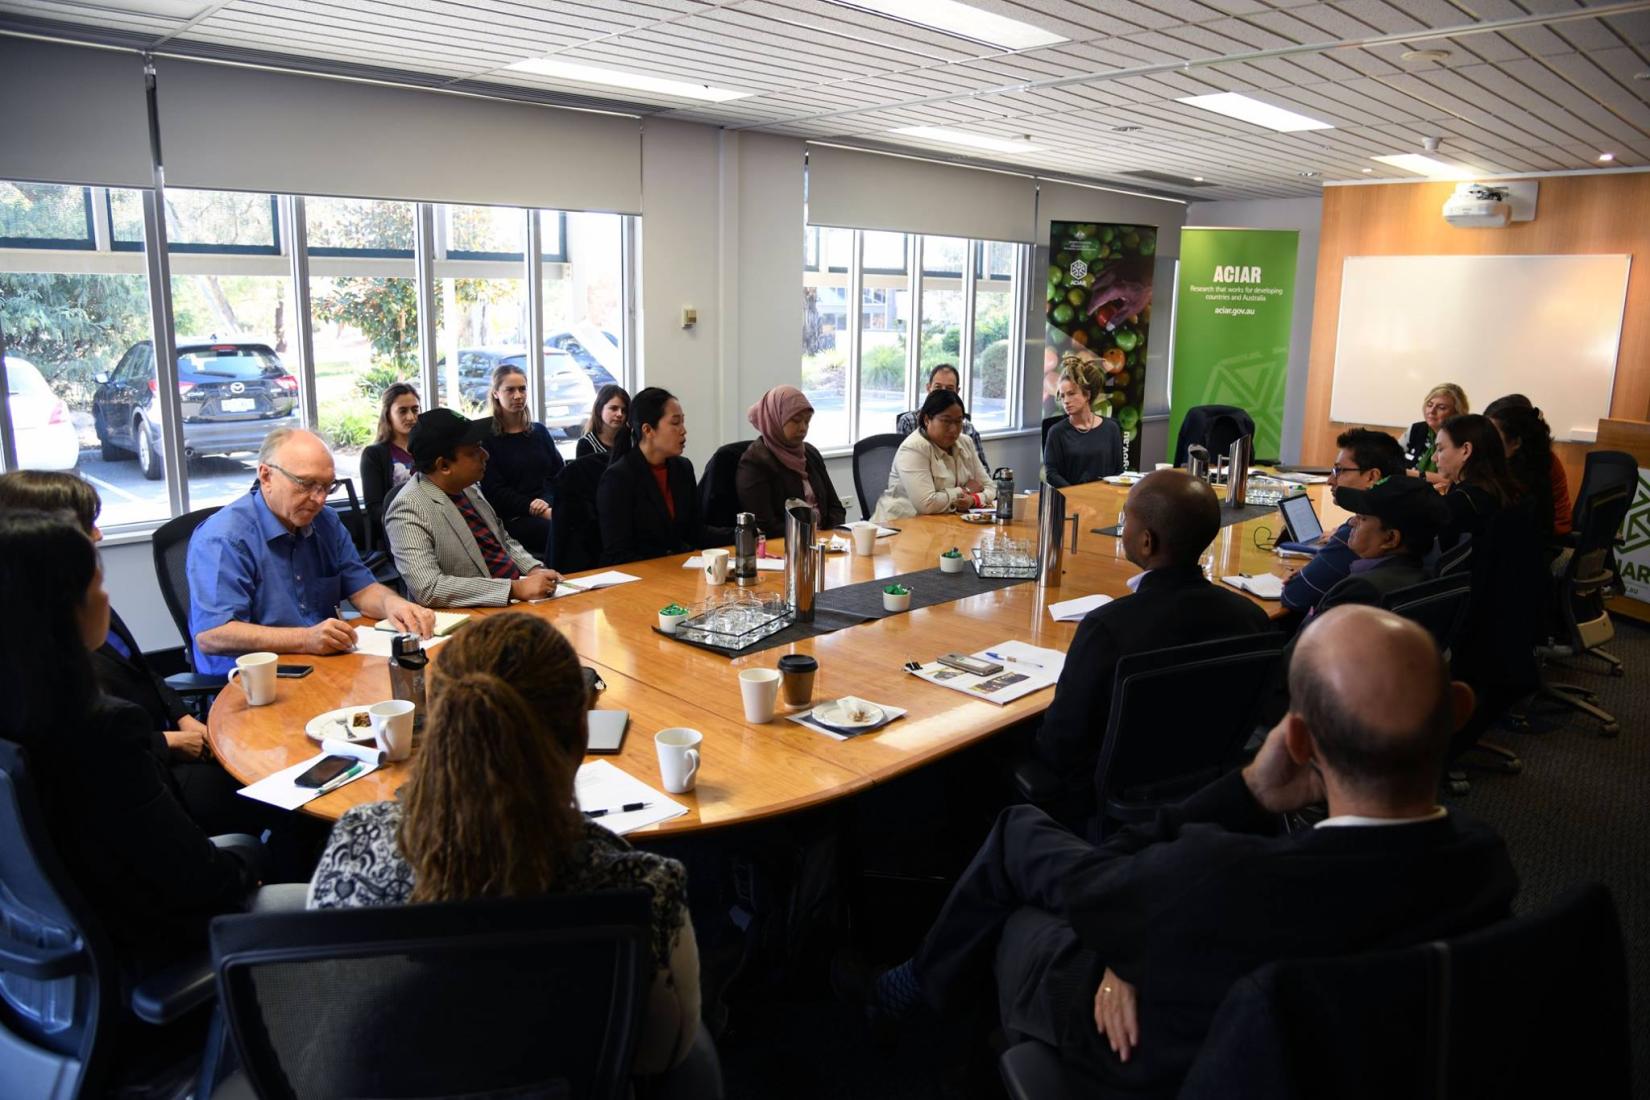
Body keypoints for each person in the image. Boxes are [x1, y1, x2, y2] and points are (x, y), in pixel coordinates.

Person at [856, 605, 1516, 1097]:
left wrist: (1251, 791)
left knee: (1016, 879)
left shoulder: (1226, 877)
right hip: (1295, 1032)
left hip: (1150, 1045)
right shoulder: (1486, 865)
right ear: (1458, 710)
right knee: (1023, 841)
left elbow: (1110, 881)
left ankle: (913, 1000)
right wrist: (1148, 935)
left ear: (1300, 742)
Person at [309, 612, 700, 1075]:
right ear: (580, 737)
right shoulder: (641, 884)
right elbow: (663, 1054)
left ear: (439, 726)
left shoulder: (353, 845)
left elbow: (331, 1017)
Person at [0, 509, 258, 964]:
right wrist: (251, 869)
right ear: (64, 608)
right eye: (97, 584)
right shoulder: (101, 729)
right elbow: (190, 873)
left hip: (64, 945)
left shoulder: (23, 712)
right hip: (154, 939)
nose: (106, 595)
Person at [0, 471, 311, 847]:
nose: (98, 535)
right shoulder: (46, 659)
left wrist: (183, 719)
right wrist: (170, 741)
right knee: (284, 793)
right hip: (154, 770)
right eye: (85, 525)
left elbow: (144, 670)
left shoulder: (76, 602)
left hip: (160, 745)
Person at [1034, 470, 1272, 776]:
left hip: (1109, 795)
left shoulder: (1108, 629)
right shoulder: (1251, 617)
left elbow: (1061, 746)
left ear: (1147, 541)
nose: (1122, 529)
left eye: (1126, 520)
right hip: (1207, 783)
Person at [188, 428, 435, 676]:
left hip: (321, 664)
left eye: (328, 487)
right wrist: (305, 638)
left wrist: (395, 605)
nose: (319, 499)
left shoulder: (325, 521)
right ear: (266, 476)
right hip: (251, 681)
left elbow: (362, 589)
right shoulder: (223, 538)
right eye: (306, 485)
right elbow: (213, 635)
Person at [384, 408, 562, 607]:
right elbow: (429, 588)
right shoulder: (408, 509)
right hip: (472, 619)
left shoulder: (469, 489)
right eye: (474, 451)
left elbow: (502, 540)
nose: (485, 455)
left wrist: (532, 569)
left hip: (515, 603)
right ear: (443, 466)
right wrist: (514, 588)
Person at [1280, 429, 1408, 621]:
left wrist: (1308, 575)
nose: (1330, 480)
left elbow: (1295, 596)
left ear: (1372, 476)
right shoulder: (1405, 515)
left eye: (1339, 470)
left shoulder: (1360, 533)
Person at [598, 387, 730, 565]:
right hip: (642, 579)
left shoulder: (683, 468)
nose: (683, 431)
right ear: (648, 430)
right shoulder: (618, 478)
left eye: (683, 422)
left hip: (680, 571)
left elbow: (695, 531)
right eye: (675, 423)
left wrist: (742, 533)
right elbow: (618, 553)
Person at [1314, 476, 1447, 613]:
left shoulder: (1361, 590)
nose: (1352, 522)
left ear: (1390, 538)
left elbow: (1312, 634)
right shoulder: (1419, 575)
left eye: (1362, 518)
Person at [479, 363, 565, 562]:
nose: (518, 396)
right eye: (510, 390)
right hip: (513, 518)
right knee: (559, 531)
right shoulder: (486, 438)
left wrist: (547, 502)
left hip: (547, 508)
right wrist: (536, 508)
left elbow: (559, 476)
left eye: (522, 389)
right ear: (495, 393)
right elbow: (495, 491)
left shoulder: (539, 432)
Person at [736, 384, 846, 537]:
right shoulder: (755, 462)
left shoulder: (810, 453)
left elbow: (836, 508)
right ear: (775, 419)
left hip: (823, 545)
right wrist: (811, 536)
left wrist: (827, 537)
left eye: (807, 422)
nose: (803, 428)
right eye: (796, 420)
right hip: (787, 548)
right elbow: (766, 525)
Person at [873, 389, 995, 521]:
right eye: (946, 421)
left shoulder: (965, 442)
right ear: (927, 420)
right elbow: (927, 504)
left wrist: (973, 499)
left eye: (959, 421)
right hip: (900, 526)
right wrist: (965, 490)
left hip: (944, 525)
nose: (954, 429)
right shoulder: (914, 448)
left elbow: (991, 487)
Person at [1431, 413, 1522, 556]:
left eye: (1440, 449)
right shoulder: (1509, 488)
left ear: (1465, 450)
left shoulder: (1459, 502)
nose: (1434, 457)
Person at [1485, 396, 1566, 537]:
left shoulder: (1525, 472)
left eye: (1492, 434)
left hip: (1549, 537)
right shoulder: (1530, 459)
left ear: (1516, 441)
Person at [1043, 357, 1124, 487]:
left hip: (1105, 499)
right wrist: (1076, 495)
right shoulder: (1056, 432)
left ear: (1087, 394)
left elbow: (1119, 470)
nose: (1066, 401)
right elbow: (1052, 474)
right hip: (1071, 501)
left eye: (1071, 394)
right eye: (1062, 396)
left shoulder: (1111, 428)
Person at [359, 381, 420, 541]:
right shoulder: (374, 454)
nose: (411, 417)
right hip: (398, 534)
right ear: (388, 414)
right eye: (402, 411)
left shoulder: (427, 448)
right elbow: (375, 508)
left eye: (415, 410)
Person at [896, 364, 989, 468]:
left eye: (949, 389)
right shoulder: (909, 422)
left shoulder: (967, 428)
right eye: (937, 387)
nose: (942, 393)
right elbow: (904, 465)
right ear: (928, 388)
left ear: (957, 392)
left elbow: (983, 471)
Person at [1404, 383, 1468, 485]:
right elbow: (1392, 459)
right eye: (1429, 405)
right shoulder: (1416, 429)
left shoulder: (1464, 436)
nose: (1431, 411)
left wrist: (1407, 473)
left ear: (1456, 412)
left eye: (1441, 407)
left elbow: (1454, 479)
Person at [577, 383, 630, 458]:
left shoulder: (631, 440)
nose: (619, 414)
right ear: (599, 409)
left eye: (624, 410)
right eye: (613, 408)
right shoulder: (586, 444)